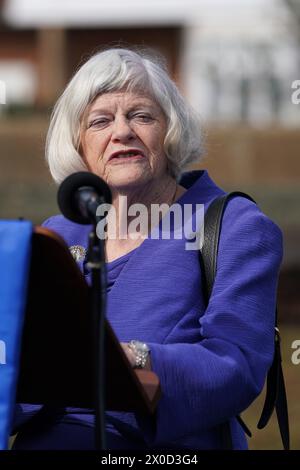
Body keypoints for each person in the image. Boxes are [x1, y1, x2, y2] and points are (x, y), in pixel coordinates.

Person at [11, 47, 283, 450]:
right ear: (79, 145)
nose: (121, 131)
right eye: (100, 121)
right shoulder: (57, 234)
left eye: (141, 115)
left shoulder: (233, 226)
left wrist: (130, 359)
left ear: (170, 131)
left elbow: (237, 367)